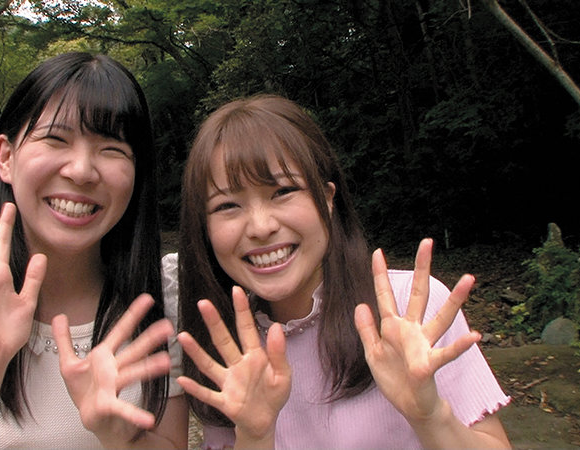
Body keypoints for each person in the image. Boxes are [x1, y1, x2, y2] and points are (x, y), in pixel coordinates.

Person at [175, 94, 511, 448]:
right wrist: (254, 436)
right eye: (227, 205)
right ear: (205, 228)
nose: (260, 227)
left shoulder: (408, 311)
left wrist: (430, 416)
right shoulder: (227, 350)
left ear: (328, 197)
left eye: (283, 191)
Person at [0, 52, 187, 448]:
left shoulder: (160, 295)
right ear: (6, 157)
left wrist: (119, 435)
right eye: (55, 139)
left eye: (112, 148)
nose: (81, 170)